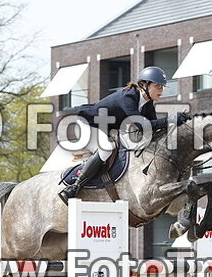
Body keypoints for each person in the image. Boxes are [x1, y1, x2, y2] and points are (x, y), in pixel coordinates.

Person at [59, 66, 187, 203]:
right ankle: (74, 188)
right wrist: (172, 119)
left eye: (162, 87)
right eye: (158, 86)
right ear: (144, 85)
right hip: (88, 123)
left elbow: (152, 128)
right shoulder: (128, 97)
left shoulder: (148, 104)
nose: (161, 91)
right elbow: (142, 126)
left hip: (106, 127)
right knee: (107, 148)